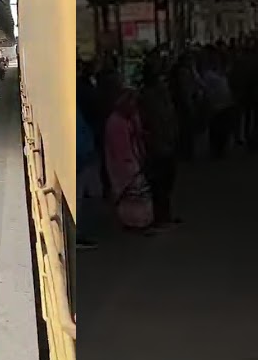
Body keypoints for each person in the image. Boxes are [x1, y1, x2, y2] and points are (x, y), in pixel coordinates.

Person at [104, 89, 153, 233]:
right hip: (125, 162)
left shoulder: (131, 117)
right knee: (129, 193)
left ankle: (141, 220)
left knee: (138, 193)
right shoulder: (116, 121)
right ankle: (133, 222)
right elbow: (119, 147)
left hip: (134, 157)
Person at [139, 63, 180, 231]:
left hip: (166, 143)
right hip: (157, 146)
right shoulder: (148, 98)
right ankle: (160, 217)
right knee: (159, 183)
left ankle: (166, 215)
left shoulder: (162, 97)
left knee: (167, 182)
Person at [77, 106, 103, 249]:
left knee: (85, 197)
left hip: (84, 157)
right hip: (81, 159)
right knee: (81, 199)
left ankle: (80, 233)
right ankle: (78, 235)